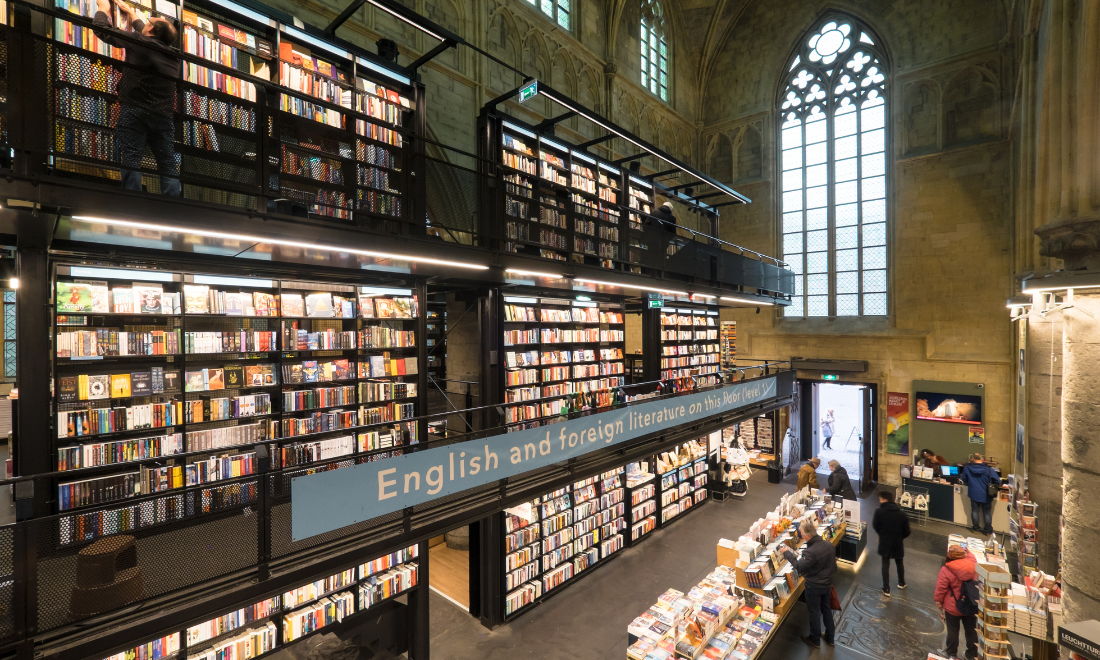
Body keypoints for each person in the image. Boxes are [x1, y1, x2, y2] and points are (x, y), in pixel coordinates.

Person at [93, 0, 182, 196]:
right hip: (164, 116)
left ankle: (132, 201)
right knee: (167, 162)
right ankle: (173, 204)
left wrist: (103, 9)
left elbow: (102, 30)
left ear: (150, 31)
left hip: (135, 110)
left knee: (132, 157)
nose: (145, 24)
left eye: (148, 23)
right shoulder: (172, 56)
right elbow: (148, 34)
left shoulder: (140, 42)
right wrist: (133, 16)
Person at [781, 519, 837, 648]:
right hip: (827, 583)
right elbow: (833, 566)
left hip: (814, 586)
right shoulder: (828, 545)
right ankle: (830, 638)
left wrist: (787, 553)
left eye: (802, 534)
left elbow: (798, 566)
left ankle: (815, 639)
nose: (801, 536)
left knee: (814, 612)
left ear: (808, 536)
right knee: (826, 610)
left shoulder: (810, 552)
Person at [934, 546, 979, 660]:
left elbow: (941, 588)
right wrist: (967, 551)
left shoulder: (946, 569)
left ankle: (951, 654)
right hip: (970, 605)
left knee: (953, 630)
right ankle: (971, 654)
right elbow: (972, 557)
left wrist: (939, 602)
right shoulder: (972, 565)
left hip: (953, 606)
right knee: (971, 631)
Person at [872, 489, 910, 597]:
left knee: (885, 563)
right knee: (899, 562)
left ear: (884, 500)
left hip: (885, 542)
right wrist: (899, 537)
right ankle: (902, 582)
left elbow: (875, 526)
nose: (879, 501)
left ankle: (886, 588)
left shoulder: (879, 512)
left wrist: (882, 534)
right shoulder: (902, 514)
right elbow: (907, 531)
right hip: (897, 542)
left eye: (880, 499)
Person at [959, 453, 1001, 535]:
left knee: (975, 511)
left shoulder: (967, 468)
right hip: (986, 495)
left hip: (973, 493)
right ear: (981, 459)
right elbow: (998, 481)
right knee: (987, 512)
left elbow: (964, 479)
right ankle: (988, 531)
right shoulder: (989, 470)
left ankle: (976, 529)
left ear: (973, 459)